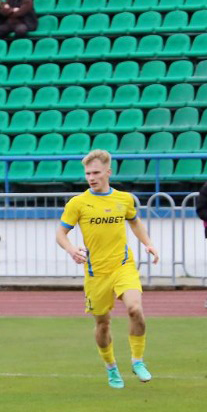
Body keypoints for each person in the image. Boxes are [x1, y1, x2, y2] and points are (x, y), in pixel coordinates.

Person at [55, 150, 159, 389]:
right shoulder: (78, 203)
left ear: (108, 172)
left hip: (123, 266)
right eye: (88, 174)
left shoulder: (124, 199)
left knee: (135, 309)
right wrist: (71, 249)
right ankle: (111, 367)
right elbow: (60, 233)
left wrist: (149, 243)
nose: (91, 178)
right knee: (103, 323)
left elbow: (135, 222)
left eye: (96, 173)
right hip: (96, 273)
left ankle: (137, 360)